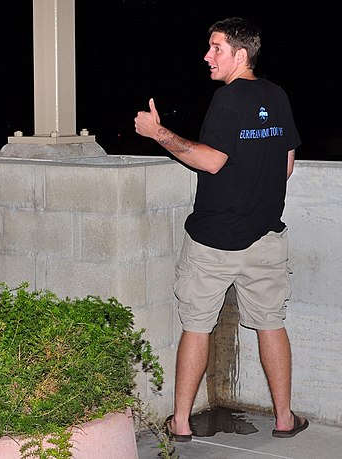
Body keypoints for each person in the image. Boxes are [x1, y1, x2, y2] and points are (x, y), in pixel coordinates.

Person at [134, 17, 308, 440]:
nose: (207, 56)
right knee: (270, 323)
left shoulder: (227, 100)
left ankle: (180, 424)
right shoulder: (277, 95)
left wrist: (157, 133)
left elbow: (211, 160)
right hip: (266, 236)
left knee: (197, 324)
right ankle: (284, 419)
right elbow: (285, 166)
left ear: (240, 54)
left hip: (214, 240)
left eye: (216, 48)